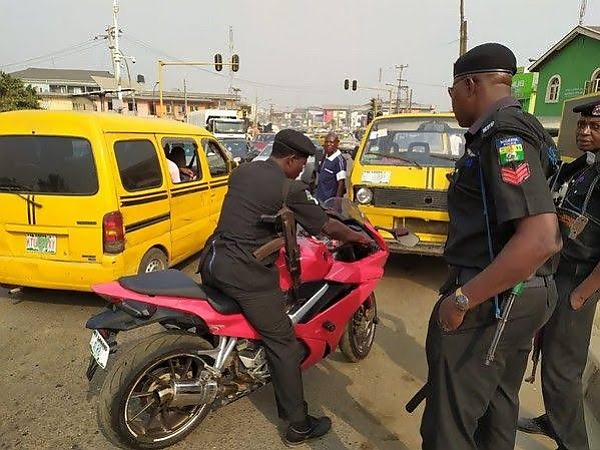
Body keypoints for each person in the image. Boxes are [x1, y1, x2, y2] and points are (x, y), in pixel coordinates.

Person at [420, 43, 562, 450]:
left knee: (449, 425)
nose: (451, 102)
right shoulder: (525, 127)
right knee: (498, 407)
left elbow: (541, 237)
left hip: (493, 297)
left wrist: (463, 300)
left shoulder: (504, 137)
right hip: (520, 294)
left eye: (451, 92)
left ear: (469, 85)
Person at [199, 129, 371, 446]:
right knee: (283, 342)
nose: (302, 168)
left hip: (212, 261)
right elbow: (327, 226)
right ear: (291, 159)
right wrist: (359, 237)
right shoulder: (288, 187)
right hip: (243, 273)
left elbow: (251, 212)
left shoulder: (243, 171)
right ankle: (298, 425)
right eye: (302, 162)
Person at [517, 99, 600, 450]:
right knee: (548, 356)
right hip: (558, 273)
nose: (584, 131)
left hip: (578, 281)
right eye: (582, 125)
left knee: (562, 372)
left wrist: (580, 295)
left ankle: (573, 443)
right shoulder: (583, 166)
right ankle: (554, 420)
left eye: (594, 127)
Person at [315, 132, 347, 203]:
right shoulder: (325, 157)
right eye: (327, 142)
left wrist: (336, 204)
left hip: (330, 203)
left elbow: (341, 184)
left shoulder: (339, 161)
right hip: (320, 199)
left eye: (331, 142)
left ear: (337, 143)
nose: (329, 144)